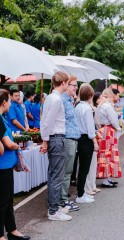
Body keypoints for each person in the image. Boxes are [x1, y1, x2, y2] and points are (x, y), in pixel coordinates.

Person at [40, 71, 72, 221]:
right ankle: (53, 210)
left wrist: (45, 140)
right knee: (56, 176)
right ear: (64, 83)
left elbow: (44, 121)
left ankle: (55, 207)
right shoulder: (56, 100)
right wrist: (45, 139)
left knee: (54, 175)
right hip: (57, 138)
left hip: (54, 138)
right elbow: (48, 122)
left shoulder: (50, 98)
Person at [0, 89, 30, 240]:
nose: (11, 103)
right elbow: (7, 144)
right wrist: (17, 146)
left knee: (8, 200)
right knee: (3, 201)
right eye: (10, 100)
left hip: (6, 164)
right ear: (4, 102)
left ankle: (12, 230)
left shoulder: (2, 117)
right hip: (2, 165)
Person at [75, 83, 99, 203]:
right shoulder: (87, 109)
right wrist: (95, 142)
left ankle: (81, 193)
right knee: (85, 168)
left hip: (78, 138)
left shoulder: (77, 106)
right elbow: (90, 128)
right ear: (90, 95)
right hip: (86, 139)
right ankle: (80, 194)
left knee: (82, 168)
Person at [60, 76, 80, 212]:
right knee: (66, 172)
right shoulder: (62, 100)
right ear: (66, 85)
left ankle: (63, 199)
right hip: (67, 138)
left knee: (68, 171)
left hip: (72, 138)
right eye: (74, 85)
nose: (76, 88)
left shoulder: (69, 100)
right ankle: (63, 200)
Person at [96, 88, 122, 187]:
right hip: (109, 131)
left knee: (105, 154)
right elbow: (113, 120)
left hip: (103, 130)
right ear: (111, 95)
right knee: (108, 154)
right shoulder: (107, 106)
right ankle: (106, 179)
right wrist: (118, 128)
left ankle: (107, 177)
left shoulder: (100, 105)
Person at [84, 92, 102, 195]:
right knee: (88, 164)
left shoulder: (91, 108)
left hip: (93, 134)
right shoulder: (86, 108)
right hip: (89, 137)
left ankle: (92, 185)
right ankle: (88, 187)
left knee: (93, 163)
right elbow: (93, 124)